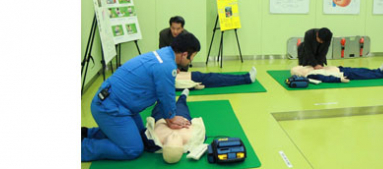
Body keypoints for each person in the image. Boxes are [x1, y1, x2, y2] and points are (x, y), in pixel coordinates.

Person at [81, 33, 201, 162]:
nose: (191, 61)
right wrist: (171, 118)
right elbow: (167, 96)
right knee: (133, 149)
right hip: (110, 108)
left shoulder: (164, 54)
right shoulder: (166, 66)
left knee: (141, 136)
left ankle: (87, 133)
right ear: (184, 54)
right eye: (192, 57)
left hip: (120, 104)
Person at [144, 89, 206, 164]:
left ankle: (163, 92)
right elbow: (201, 134)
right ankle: (183, 95)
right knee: (181, 104)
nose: (173, 134)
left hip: (161, 116)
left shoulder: (154, 142)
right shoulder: (192, 141)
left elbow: (145, 134)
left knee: (160, 103)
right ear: (183, 147)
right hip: (181, 115)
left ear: (163, 146)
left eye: (169, 139)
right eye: (176, 139)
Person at [290, 64, 383, 83]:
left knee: (360, 70)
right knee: (362, 75)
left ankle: (377, 70)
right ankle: (382, 74)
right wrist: (339, 79)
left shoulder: (310, 68)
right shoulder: (310, 75)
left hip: (340, 69)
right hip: (341, 74)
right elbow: (325, 78)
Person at [175, 67, 257, 90]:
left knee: (218, 76)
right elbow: (178, 85)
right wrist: (193, 85)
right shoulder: (163, 82)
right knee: (220, 79)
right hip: (193, 80)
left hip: (192, 75)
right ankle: (247, 79)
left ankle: (246, 76)